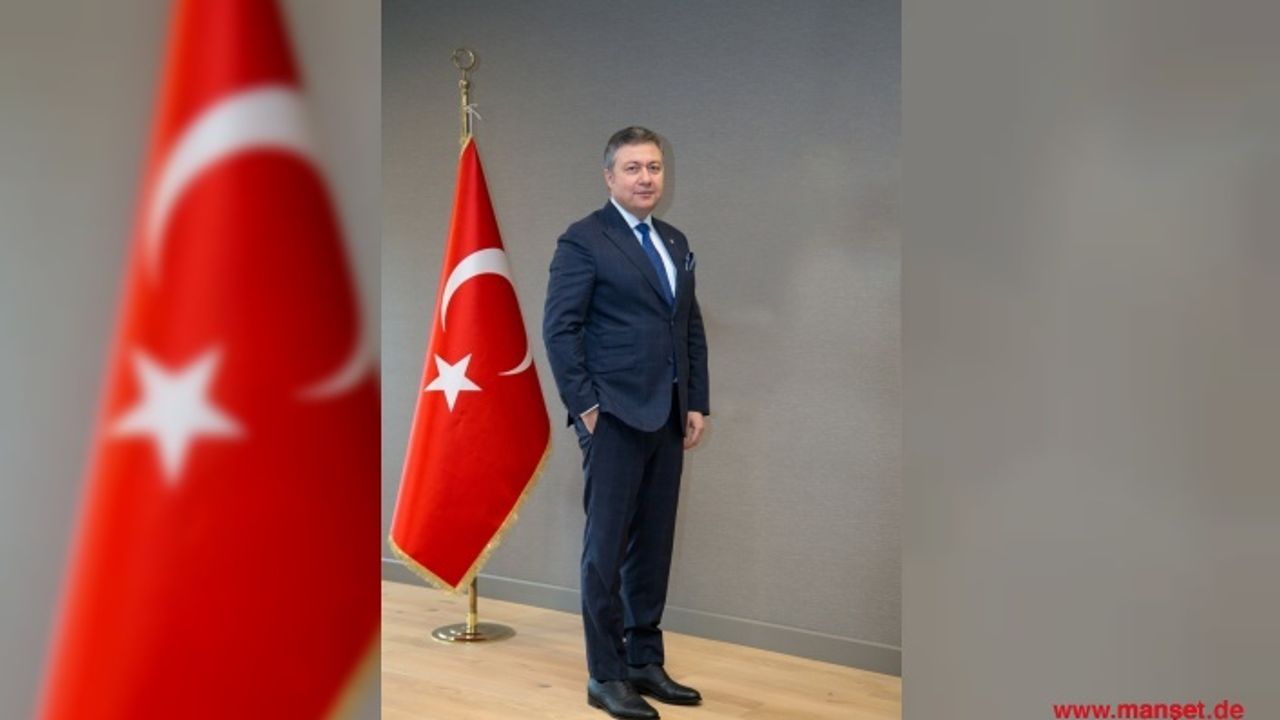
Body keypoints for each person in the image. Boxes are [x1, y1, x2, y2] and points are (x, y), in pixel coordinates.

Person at [543, 126, 710, 720]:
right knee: (605, 551)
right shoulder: (584, 239)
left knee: (654, 545)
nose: (646, 178)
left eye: (654, 167)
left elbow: (687, 326)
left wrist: (696, 402)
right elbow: (559, 329)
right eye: (633, 168)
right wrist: (587, 409)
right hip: (613, 415)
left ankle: (644, 660)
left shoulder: (674, 240)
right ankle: (606, 674)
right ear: (609, 176)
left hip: (668, 414)